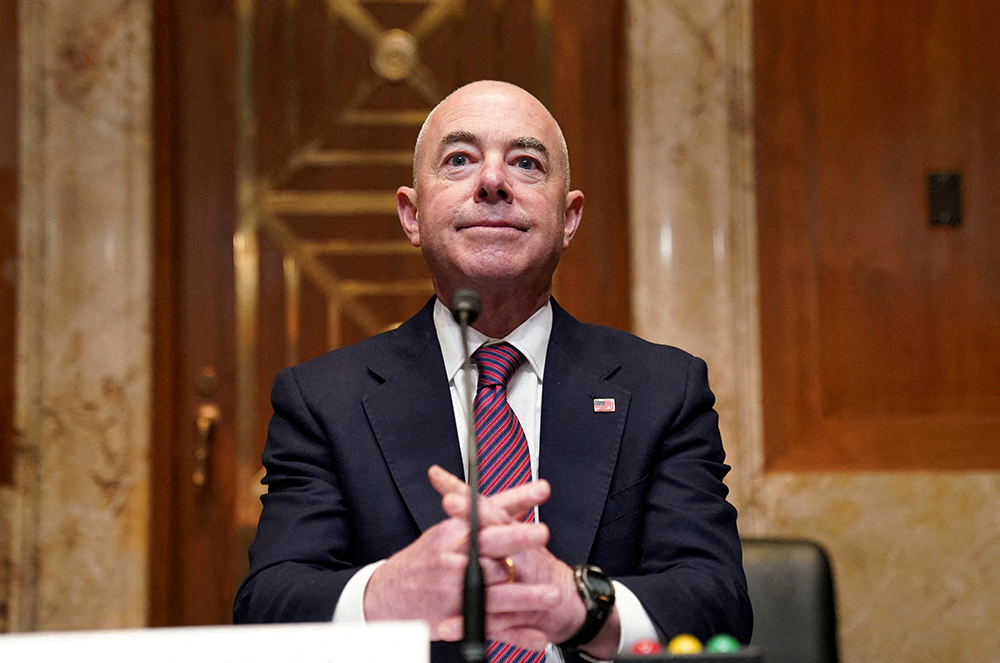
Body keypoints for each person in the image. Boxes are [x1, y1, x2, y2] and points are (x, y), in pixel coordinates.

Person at [233, 80, 752, 662]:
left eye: (526, 163)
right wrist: (384, 596)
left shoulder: (663, 390)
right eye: (460, 160)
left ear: (569, 218)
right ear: (411, 214)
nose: (493, 182)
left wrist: (578, 603)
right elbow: (268, 603)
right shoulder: (322, 401)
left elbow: (718, 600)